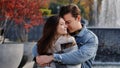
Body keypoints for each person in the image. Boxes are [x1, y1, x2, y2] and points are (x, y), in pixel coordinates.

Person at [33, 4, 98, 68]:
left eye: (68, 22)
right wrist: (39, 59)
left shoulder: (90, 38)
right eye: (62, 23)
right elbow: (38, 46)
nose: (65, 26)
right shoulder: (60, 33)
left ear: (78, 18)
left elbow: (80, 56)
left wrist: (52, 57)